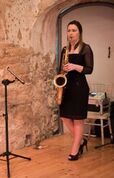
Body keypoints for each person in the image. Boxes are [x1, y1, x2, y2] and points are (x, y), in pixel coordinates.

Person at [59, 20, 94, 161]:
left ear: (79, 32)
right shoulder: (64, 49)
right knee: (65, 117)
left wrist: (74, 66)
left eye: (74, 30)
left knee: (78, 119)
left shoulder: (86, 48)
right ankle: (81, 140)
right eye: (69, 30)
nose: (71, 33)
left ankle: (75, 150)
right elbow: (60, 67)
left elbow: (89, 69)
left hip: (80, 87)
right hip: (67, 87)